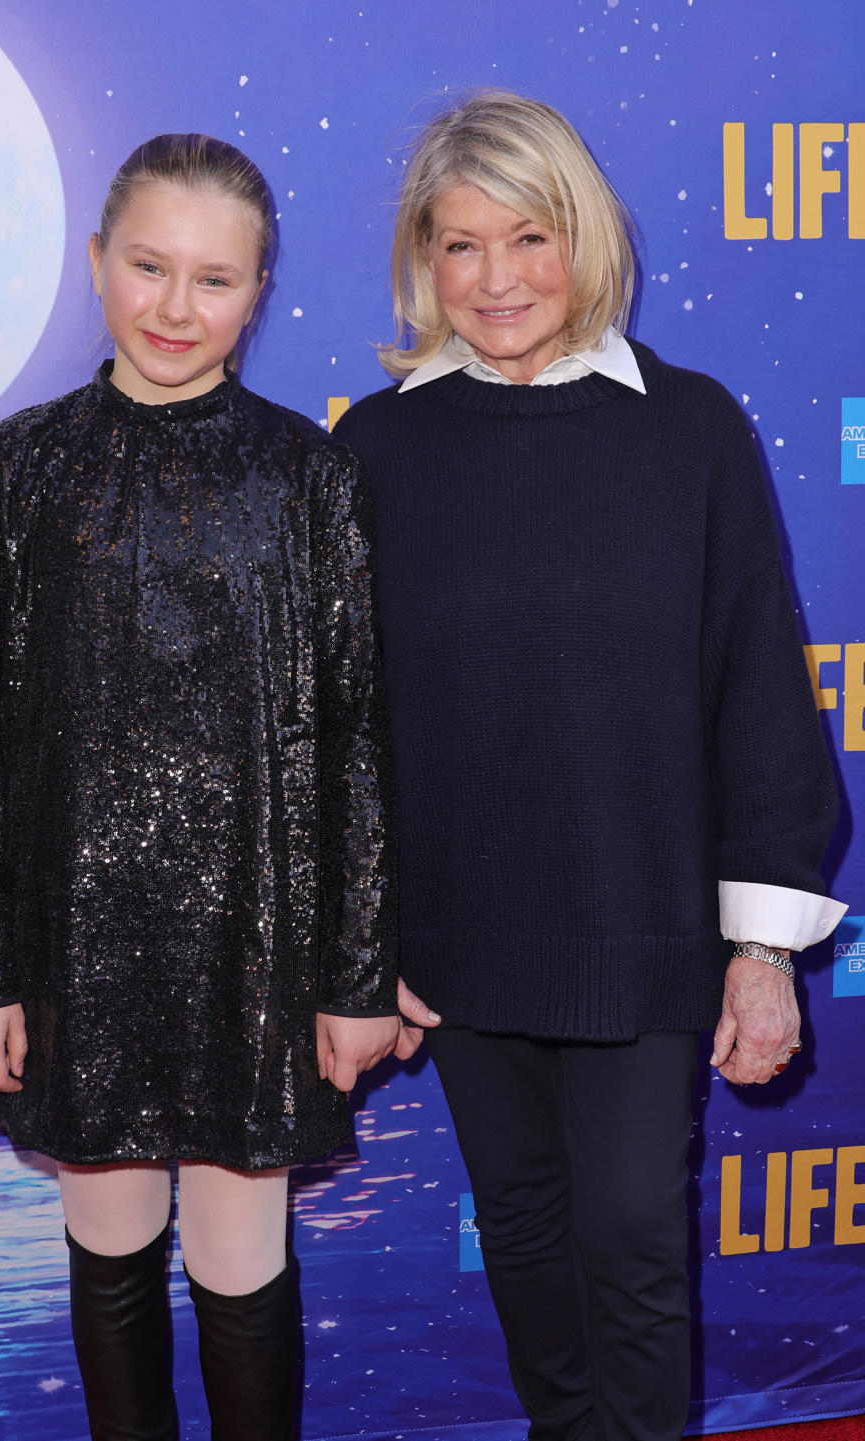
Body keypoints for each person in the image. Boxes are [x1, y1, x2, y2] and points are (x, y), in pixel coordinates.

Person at [333, 91, 846, 1441]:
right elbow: (340, 725)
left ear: (587, 240)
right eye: (459, 245)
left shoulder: (691, 431)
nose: (495, 279)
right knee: (523, 1233)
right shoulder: (377, 449)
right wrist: (359, 936)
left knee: (631, 1234)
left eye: (528, 237)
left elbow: (757, 695)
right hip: (459, 935)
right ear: (420, 258)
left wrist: (763, 950)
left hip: (644, 926)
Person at [0, 132, 404, 1441]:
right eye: (148, 266)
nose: (176, 307)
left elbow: (357, 739)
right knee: (112, 1249)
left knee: (244, 1261)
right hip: (74, 947)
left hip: (258, 950)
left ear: (259, 291)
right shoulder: (16, 471)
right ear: (95, 265)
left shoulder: (310, 475)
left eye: (215, 277)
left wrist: (358, 978)